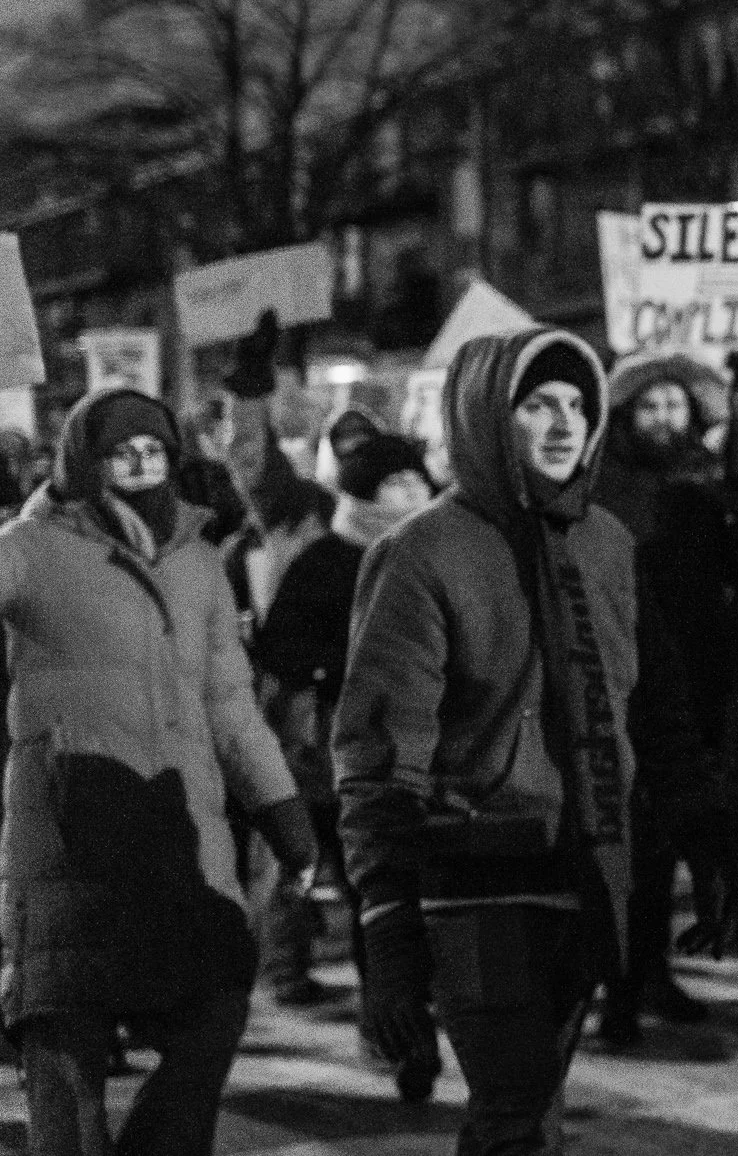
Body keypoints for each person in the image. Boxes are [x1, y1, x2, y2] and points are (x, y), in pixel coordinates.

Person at [335, 330, 651, 1155]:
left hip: (584, 870)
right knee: (515, 1113)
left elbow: (627, 709)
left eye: (578, 403)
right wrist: (387, 925)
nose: (564, 422)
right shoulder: (420, 552)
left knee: (528, 1117)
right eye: (537, 402)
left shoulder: (606, 541)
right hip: (476, 885)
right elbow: (377, 753)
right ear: (485, 414)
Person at [0, 387, 315, 1156]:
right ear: (84, 461)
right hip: (71, 826)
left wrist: (284, 812)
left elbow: (232, 707)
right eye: (121, 453)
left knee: (216, 1002)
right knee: (66, 1045)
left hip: (181, 829)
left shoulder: (201, 562)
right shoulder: (31, 547)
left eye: (153, 452)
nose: (140, 466)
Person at [252, 432, 437, 1068]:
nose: (415, 492)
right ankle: (383, 1021)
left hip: (432, 751)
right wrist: (346, 675)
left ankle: (403, 1012)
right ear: (364, 492)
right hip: (340, 759)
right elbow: (283, 657)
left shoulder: (443, 554)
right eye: (397, 483)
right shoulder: (327, 563)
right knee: (374, 893)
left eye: (419, 479)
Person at [590, 350, 736, 1045]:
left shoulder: (710, 482)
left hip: (695, 680)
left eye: (674, 404)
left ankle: (650, 971)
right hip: (629, 679)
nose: (663, 417)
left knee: (667, 841)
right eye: (649, 406)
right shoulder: (603, 488)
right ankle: (614, 985)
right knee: (625, 843)